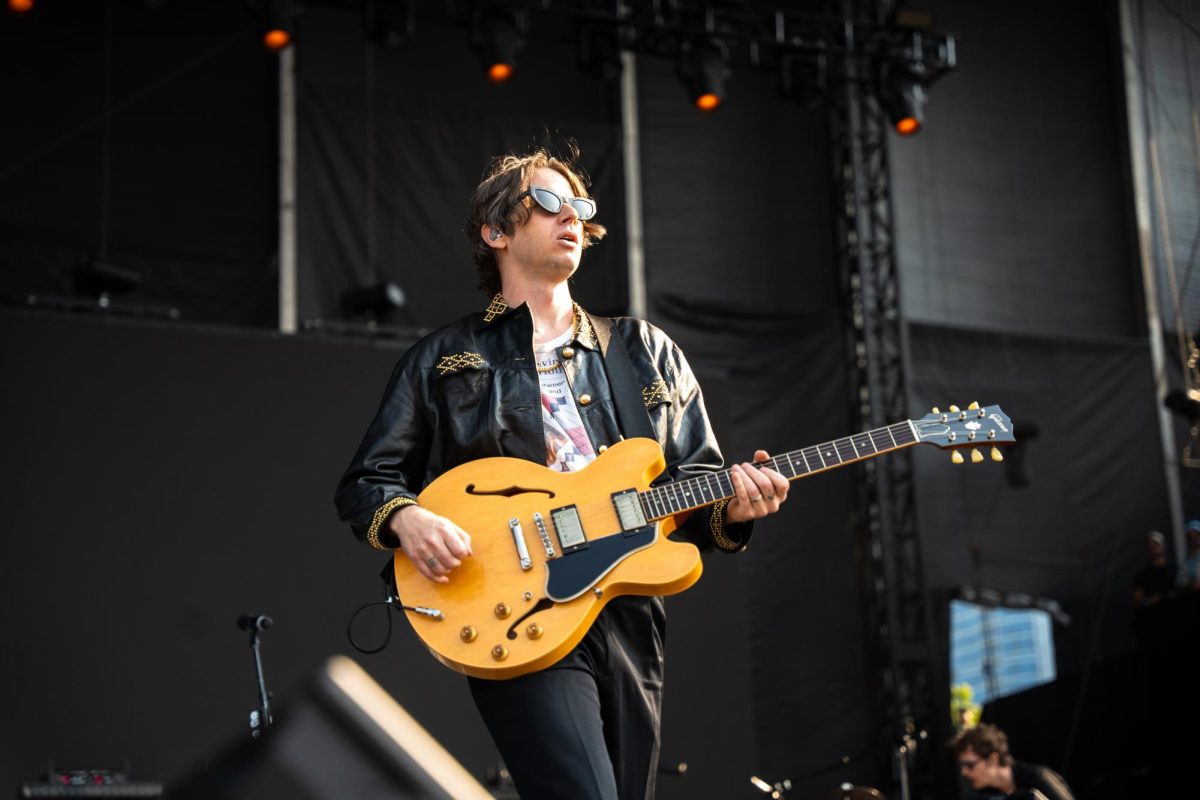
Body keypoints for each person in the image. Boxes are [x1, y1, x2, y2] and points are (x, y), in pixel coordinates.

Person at [334, 147, 790, 800]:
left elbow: (698, 481)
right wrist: (406, 517)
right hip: (516, 604)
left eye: (580, 207)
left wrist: (736, 507)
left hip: (629, 610)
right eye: (548, 202)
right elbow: (367, 481)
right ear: (495, 231)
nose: (570, 217)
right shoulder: (443, 359)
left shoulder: (645, 349)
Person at [952, 723, 1074, 800]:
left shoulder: (1039, 777)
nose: (964, 772)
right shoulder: (977, 794)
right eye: (961, 766)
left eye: (970, 765)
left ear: (992, 759)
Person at [1132, 530, 1175, 608]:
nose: (1153, 547)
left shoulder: (1174, 569)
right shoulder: (1142, 574)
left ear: (1164, 546)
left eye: (1156, 544)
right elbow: (1137, 600)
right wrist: (1148, 601)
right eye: (1150, 545)